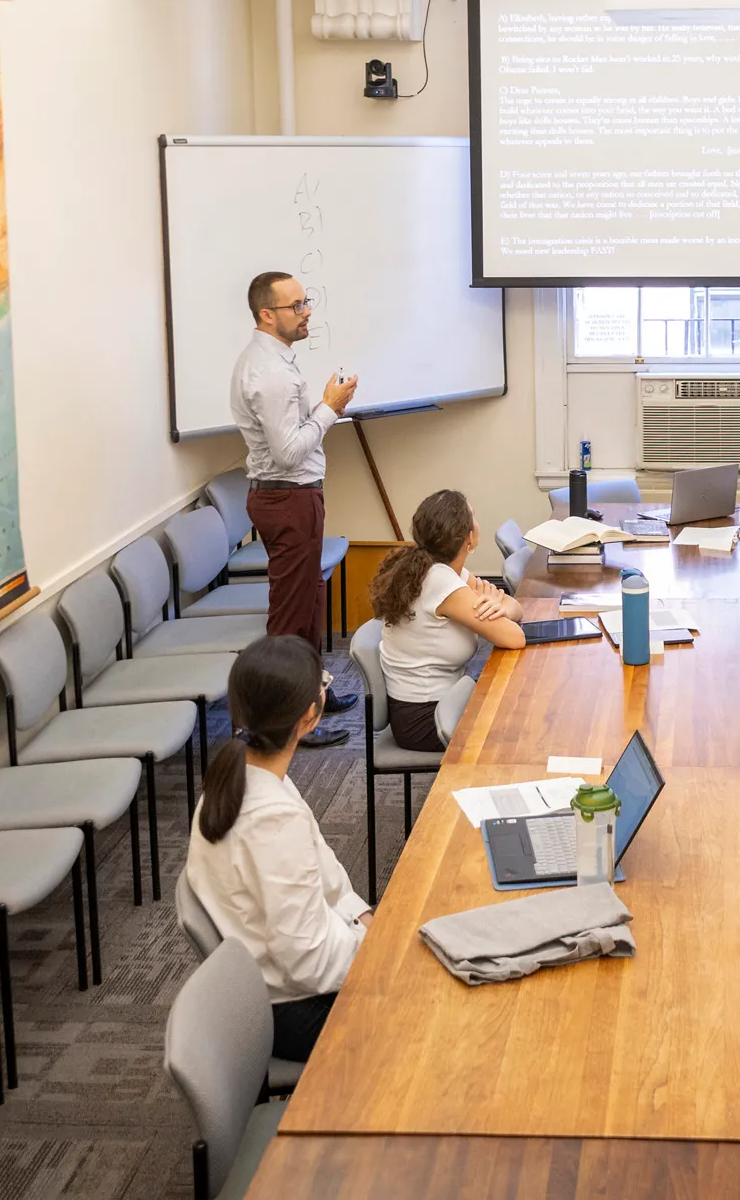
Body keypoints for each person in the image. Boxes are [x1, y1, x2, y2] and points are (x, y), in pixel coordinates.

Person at [184, 635, 370, 1061]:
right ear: (310, 715)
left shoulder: (246, 778)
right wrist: (380, 954)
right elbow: (307, 961)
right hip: (292, 1006)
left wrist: (363, 918)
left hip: (286, 975)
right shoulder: (270, 818)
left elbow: (328, 876)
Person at [231, 269, 359, 746]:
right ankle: (283, 724)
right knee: (289, 615)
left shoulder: (275, 360)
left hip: (294, 495)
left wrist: (324, 407)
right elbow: (287, 452)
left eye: (308, 303)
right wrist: (329, 407)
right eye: (297, 306)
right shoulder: (268, 373)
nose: (307, 313)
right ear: (268, 314)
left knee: (309, 604)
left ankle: (310, 696)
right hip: (286, 497)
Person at [371, 490, 525, 752]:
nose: (478, 522)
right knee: (520, 722)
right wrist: (499, 609)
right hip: (425, 718)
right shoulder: (439, 581)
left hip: (439, 702)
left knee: (517, 705)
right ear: (468, 538)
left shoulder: (440, 569)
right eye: (473, 516)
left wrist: (500, 606)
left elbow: (516, 608)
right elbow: (515, 637)